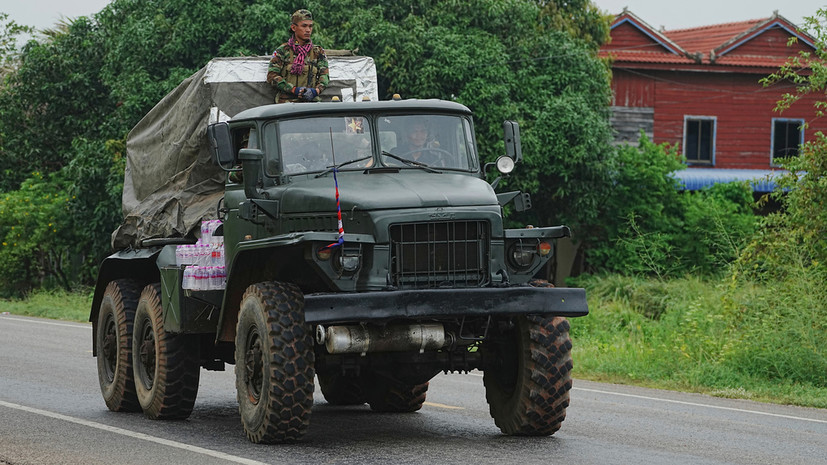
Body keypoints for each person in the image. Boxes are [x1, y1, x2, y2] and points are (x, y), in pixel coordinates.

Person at [267, 9, 330, 103]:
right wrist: (294, 90)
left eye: (310, 26)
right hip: (287, 103)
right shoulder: (283, 51)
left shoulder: (317, 51)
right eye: (304, 26)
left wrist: (315, 91)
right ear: (293, 27)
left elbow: (324, 76)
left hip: (310, 102)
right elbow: (272, 76)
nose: (308, 30)